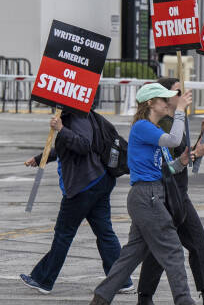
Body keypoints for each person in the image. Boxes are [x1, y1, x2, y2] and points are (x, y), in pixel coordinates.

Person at [83, 82, 204, 305]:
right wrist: (180, 110)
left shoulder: (150, 130)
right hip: (148, 197)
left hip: (149, 194)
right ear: (150, 104)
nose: (168, 103)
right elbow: (174, 138)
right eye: (163, 100)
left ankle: (99, 303)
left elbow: (167, 169)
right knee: (174, 251)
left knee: (132, 255)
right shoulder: (144, 127)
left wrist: (186, 158)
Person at [132, 77, 204, 305]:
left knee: (162, 250)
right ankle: (155, 300)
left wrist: (201, 139)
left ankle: (150, 300)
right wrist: (193, 149)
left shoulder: (177, 119)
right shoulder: (164, 123)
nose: (182, 95)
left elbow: (185, 158)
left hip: (177, 191)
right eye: (177, 92)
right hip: (167, 194)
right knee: (178, 247)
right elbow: (171, 157)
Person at [19, 107, 126, 294]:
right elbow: (66, 147)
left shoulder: (77, 116)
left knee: (63, 234)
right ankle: (122, 281)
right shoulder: (78, 114)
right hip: (97, 180)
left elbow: (83, 145)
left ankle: (43, 280)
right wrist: (40, 158)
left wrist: (61, 129)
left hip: (83, 185)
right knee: (104, 232)